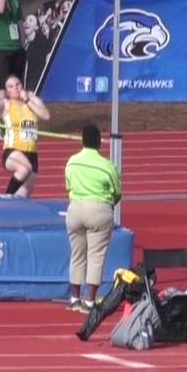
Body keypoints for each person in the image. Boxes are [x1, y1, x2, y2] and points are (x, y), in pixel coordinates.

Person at [65, 124, 121, 313]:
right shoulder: (107, 166)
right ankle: (89, 300)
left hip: (75, 209)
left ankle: (74, 298)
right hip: (98, 209)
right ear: (99, 142)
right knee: (95, 256)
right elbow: (117, 193)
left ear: (82, 141)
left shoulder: (72, 162)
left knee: (77, 254)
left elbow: (68, 186)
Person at [0, 73, 49, 197]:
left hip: (32, 155)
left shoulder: (32, 100)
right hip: (12, 152)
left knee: (21, 199)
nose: (15, 88)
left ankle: (9, 206)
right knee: (24, 168)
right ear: (7, 91)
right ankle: (6, 197)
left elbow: (46, 116)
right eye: (11, 86)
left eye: (17, 84)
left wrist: (27, 100)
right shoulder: (7, 104)